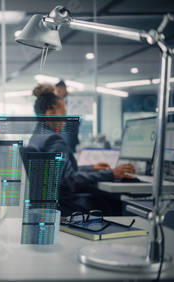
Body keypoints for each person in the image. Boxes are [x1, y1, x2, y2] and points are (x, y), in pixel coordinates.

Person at [28, 88, 136, 216]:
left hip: (54, 202)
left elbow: (62, 172)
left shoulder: (36, 138)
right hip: (67, 204)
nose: (65, 118)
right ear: (50, 114)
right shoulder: (53, 140)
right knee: (117, 205)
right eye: (63, 113)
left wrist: (92, 168)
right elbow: (69, 180)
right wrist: (111, 174)